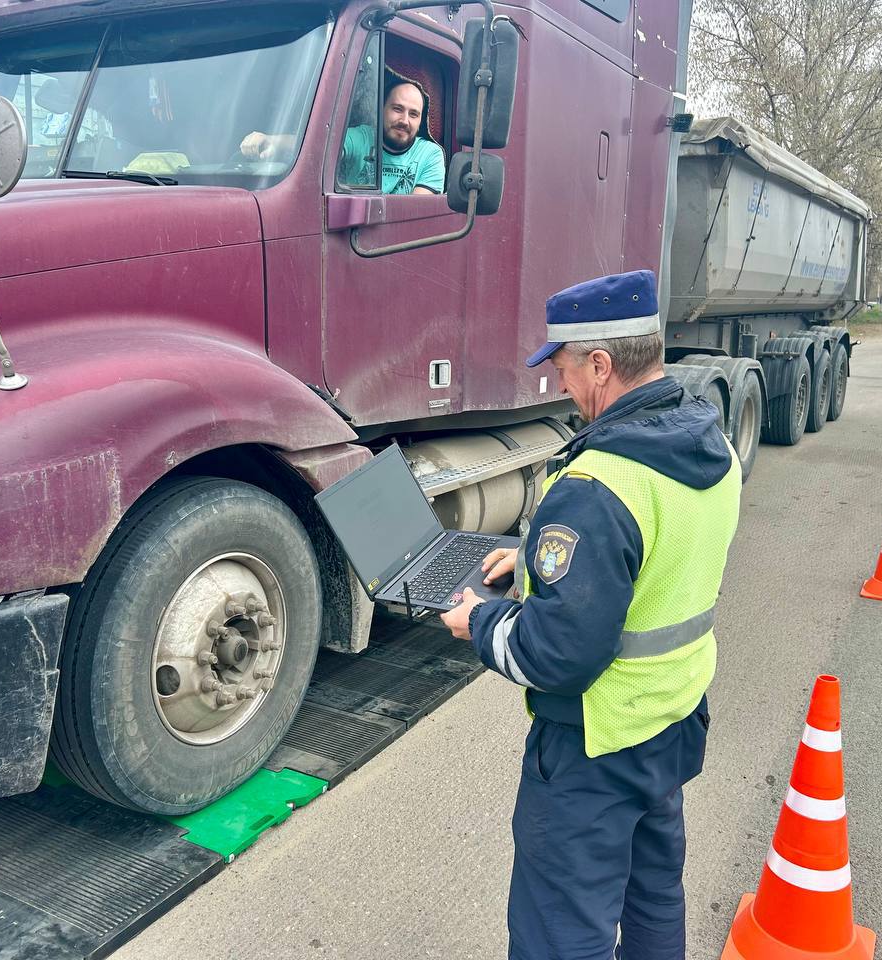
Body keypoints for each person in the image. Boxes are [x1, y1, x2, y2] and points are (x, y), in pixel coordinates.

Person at [440, 270, 742, 960]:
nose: (561, 384)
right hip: (670, 719)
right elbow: (659, 555)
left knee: (561, 932)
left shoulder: (597, 485)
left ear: (602, 364)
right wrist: (537, 562)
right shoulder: (711, 448)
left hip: (593, 748)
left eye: (567, 367)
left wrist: (479, 624)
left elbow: (558, 655)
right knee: (654, 898)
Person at [241, 77, 444, 194]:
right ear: (381, 110)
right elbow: (322, 143)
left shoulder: (430, 154)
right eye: (397, 109)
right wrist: (273, 140)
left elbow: (413, 216)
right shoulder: (362, 138)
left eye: (413, 114)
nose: (405, 120)